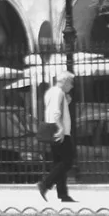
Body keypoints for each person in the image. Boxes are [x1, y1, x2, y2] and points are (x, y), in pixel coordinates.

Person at [37, 71, 76, 203]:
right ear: (64, 81)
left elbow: (53, 109)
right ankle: (45, 184)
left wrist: (67, 102)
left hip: (54, 130)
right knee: (68, 161)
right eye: (71, 82)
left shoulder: (52, 92)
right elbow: (55, 112)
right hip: (60, 132)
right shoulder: (58, 92)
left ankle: (63, 194)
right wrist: (60, 128)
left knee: (59, 163)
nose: (71, 86)